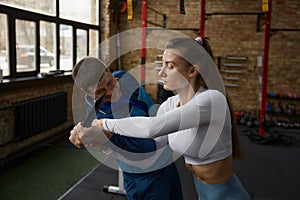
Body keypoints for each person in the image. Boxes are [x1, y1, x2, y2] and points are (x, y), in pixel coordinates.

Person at [75, 37, 251, 200]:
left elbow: (152, 127)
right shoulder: (170, 105)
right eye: (162, 64)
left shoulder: (212, 100)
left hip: (227, 195)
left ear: (192, 70)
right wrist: (102, 141)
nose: (161, 72)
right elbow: (152, 143)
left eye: (170, 66)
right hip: (202, 194)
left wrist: (102, 125)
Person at [69, 56, 183, 200]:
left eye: (110, 83)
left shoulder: (124, 78)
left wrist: (107, 136)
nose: (109, 92)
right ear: (87, 93)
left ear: (110, 71)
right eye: (100, 92)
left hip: (164, 165)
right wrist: (96, 137)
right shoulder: (96, 117)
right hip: (136, 176)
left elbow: (151, 146)